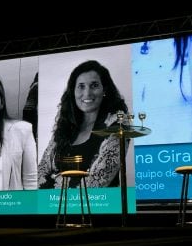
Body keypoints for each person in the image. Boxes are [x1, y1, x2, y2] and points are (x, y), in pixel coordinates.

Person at [38, 60, 129, 188]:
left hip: (99, 205)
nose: (87, 93)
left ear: (105, 89)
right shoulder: (65, 125)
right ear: (73, 91)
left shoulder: (117, 123)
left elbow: (96, 183)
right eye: (81, 86)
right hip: (54, 205)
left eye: (94, 85)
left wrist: (54, 182)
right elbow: (40, 172)